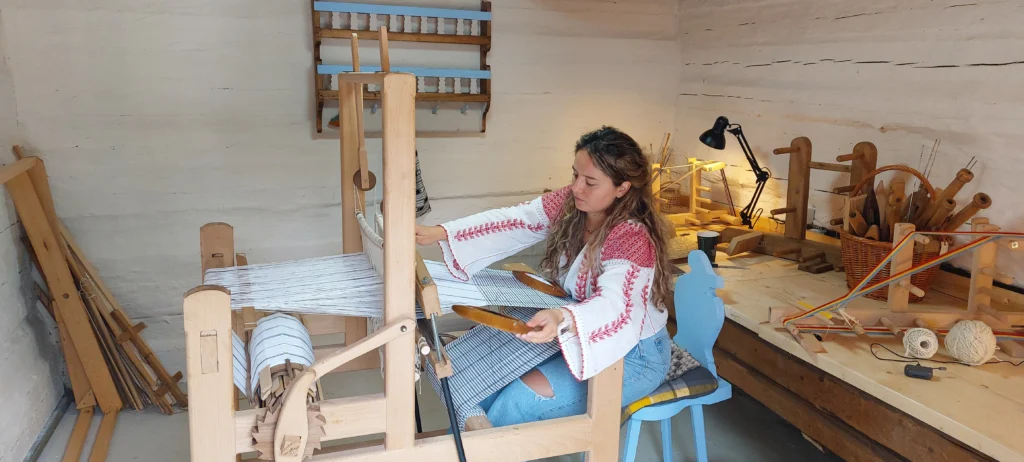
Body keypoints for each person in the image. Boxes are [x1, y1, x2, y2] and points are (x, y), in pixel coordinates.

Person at [415, 126, 673, 428]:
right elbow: (516, 220)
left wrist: (562, 316)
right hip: (578, 332)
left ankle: (479, 448)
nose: (576, 188)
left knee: (517, 403)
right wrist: (440, 233)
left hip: (634, 356)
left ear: (622, 188)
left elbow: (616, 304)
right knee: (476, 393)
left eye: (590, 182)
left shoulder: (632, 238)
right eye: (575, 175)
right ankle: (466, 448)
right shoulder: (574, 203)